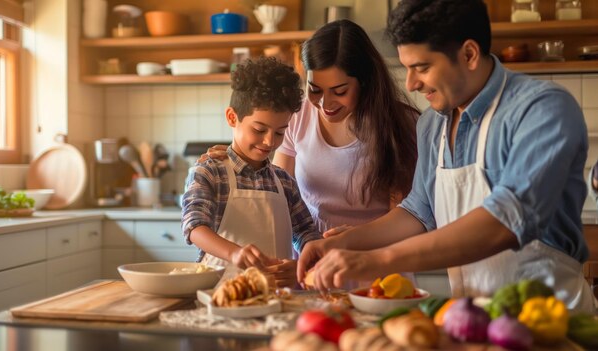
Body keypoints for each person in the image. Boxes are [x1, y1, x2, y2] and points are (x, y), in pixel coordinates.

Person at [298, 0, 596, 313]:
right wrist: (337, 243)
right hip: (475, 319)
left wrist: (377, 259)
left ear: (469, 54)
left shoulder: (541, 109)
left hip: (554, 320)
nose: (411, 83)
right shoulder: (432, 124)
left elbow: (506, 220)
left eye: (422, 68)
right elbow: (417, 213)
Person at [203, 19, 419, 236]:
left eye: (340, 91)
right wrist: (239, 161)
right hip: (310, 251)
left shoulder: (400, 123)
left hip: (378, 256)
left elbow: (406, 216)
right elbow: (276, 188)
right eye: (315, 89)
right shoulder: (297, 115)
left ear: (365, 81)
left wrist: (353, 240)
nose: (325, 103)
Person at [181, 57, 322, 288]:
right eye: (259, 129)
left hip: (277, 296)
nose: (269, 141)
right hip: (219, 293)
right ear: (232, 117)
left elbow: (306, 232)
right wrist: (234, 254)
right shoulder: (209, 172)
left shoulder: (284, 181)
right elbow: (194, 227)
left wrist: (302, 265)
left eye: (279, 132)